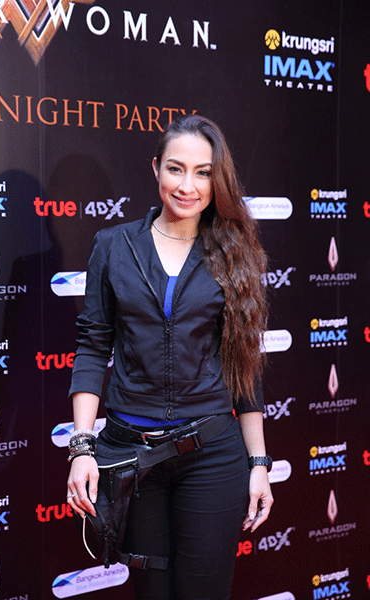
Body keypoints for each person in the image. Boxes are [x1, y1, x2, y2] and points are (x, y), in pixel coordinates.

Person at [66, 114, 273, 600]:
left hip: (212, 456)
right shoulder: (113, 245)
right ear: (156, 167)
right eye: (176, 168)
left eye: (203, 173)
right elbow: (93, 347)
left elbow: (243, 364)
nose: (187, 186)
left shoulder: (233, 250)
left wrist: (259, 462)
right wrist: (81, 448)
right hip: (131, 457)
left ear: (217, 181)